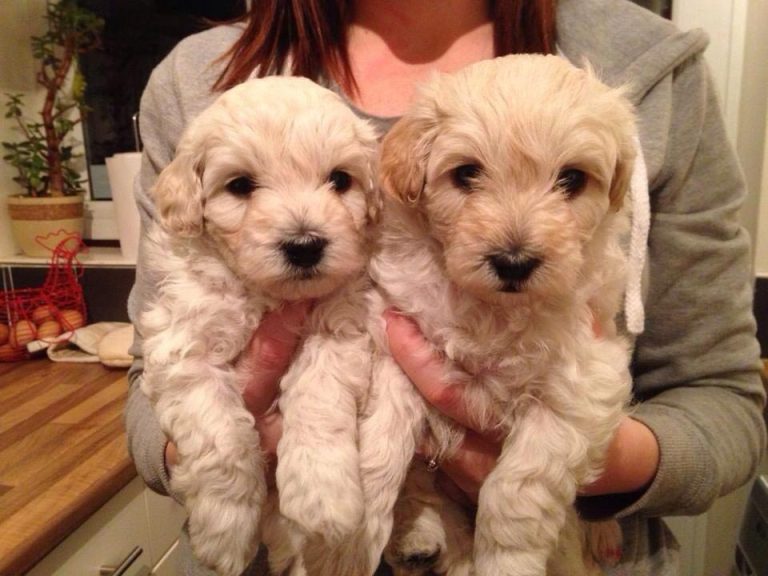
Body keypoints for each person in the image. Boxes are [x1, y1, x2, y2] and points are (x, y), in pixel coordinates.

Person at [125, 0, 767, 574]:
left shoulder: (655, 67)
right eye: (465, 175)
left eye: (569, 182)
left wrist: (568, 468)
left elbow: (725, 402)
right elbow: (152, 388)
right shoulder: (194, 80)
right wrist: (237, 458)